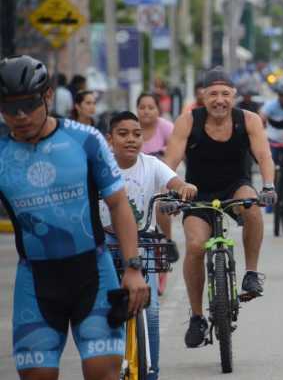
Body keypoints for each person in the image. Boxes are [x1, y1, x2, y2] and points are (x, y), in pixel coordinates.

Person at [0, 55, 148, 380]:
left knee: (101, 372)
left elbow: (120, 204)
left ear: (48, 96)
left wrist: (133, 268)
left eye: (28, 104)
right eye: (9, 108)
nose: (20, 116)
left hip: (93, 273)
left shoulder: (85, 140)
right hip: (35, 281)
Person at [163, 67, 276, 348]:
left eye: (225, 94)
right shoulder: (188, 121)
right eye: (213, 93)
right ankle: (198, 317)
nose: (219, 100)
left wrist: (270, 186)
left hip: (235, 187)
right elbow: (170, 162)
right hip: (197, 192)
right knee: (195, 246)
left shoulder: (248, 120)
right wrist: (171, 191)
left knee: (252, 207)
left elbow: (264, 155)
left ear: (234, 96)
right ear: (203, 96)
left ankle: (250, 273)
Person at [100, 111, 196, 380]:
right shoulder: (100, 166)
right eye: (123, 134)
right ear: (110, 139)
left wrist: (184, 188)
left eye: (137, 134)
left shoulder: (151, 164)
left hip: (142, 242)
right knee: (103, 308)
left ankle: (151, 370)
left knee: (150, 309)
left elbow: (175, 181)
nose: (131, 139)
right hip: (106, 241)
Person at [136, 92, 175, 295]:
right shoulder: (132, 129)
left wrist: (164, 153)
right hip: (136, 180)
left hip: (161, 179)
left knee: (160, 204)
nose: (146, 111)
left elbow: (177, 150)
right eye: (142, 107)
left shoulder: (166, 127)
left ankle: (166, 244)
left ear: (158, 110)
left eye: (151, 107)